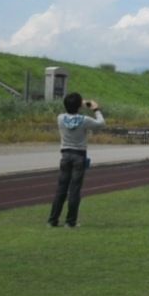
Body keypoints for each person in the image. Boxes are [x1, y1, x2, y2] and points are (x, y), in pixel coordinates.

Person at [47, 92, 105, 228]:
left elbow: (70, 109)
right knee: (74, 190)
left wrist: (78, 103)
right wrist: (95, 109)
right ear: (79, 105)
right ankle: (70, 221)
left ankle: (52, 220)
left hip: (65, 156)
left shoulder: (60, 118)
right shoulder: (84, 119)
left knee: (61, 189)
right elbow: (101, 123)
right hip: (79, 155)